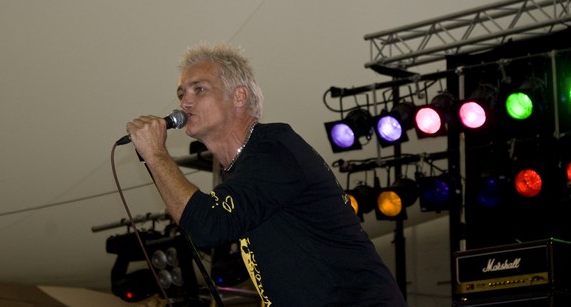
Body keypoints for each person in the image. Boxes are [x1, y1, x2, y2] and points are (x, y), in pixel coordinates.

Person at [126, 43, 408, 306]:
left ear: (239, 96)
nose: (185, 103)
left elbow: (208, 225)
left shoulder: (274, 150)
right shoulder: (245, 166)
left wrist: (155, 154)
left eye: (199, 90)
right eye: (181, 94)